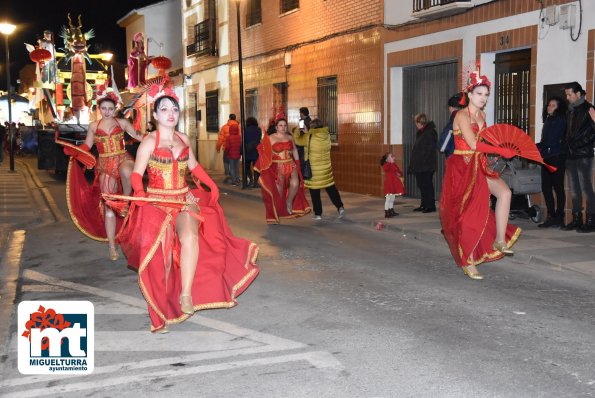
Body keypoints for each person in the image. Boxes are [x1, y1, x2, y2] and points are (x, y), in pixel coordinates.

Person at [117, 86, 259, 333]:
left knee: (191, 236)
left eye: (174, 109)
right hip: (157, 202)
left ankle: (185, 294)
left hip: (183, 198)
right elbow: (138, 174)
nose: (170, 113)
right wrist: (139, 193)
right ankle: (161, 308)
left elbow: (194, 167)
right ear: (155, 116)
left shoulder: (183, 139)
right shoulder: (148, 142)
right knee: (161, 258)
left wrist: (212, 184)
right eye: (164, 109)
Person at [439, 67, 520, 280]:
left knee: (505, 193)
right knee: (469, 215)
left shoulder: (482, 115)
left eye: (486, 95)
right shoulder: (460, 115)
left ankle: (500, 240)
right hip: (462, 166)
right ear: (469, 94)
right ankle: (468, 261)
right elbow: (474, 143)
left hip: (479, 164)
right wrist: (501, 150)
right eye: (479, 94)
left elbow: (485, 142)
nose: (483, 98)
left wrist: (503, 148)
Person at [63, 84, 143, 261]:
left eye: (110, 108)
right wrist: (76, 151)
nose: (107, 111)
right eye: (104, 108)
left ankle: (127, 201)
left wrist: (158, 138)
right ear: (99, 109)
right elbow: (88, 145)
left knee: (128, 171)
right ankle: (112, 246)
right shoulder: (93, 126)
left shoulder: (122, 123)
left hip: (122, 157)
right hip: (105, 163)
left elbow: (138, 136)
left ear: (116, 109)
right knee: (108, 205)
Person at [254, 116, 311, 224]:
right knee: (278, 192)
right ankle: (276, 213)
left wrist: (298, 163)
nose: (283, 127)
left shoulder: (290, 137)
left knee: (295, 183)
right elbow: (264, 153)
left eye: (285, 126)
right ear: (276, 127)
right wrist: (262, 149)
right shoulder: (270, 138)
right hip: (277, 166)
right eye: (280, 125)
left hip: (290, 162)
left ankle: (289, 202)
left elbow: (294, 150)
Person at [294, 118, 345, 221]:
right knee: (331, 189)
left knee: (315, 191)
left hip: (314, 170)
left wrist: (297, 130)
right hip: (326, 168)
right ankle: (340, 207)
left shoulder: (308, 136)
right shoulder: (326, 135)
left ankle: (318, 214)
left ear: (311, 127)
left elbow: (297, 141)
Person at [561, 82, 595, 233]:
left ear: (578, 94)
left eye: (569, 94)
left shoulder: (589, 109)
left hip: (583, 154)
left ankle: (591, 220)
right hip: (570, 154)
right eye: (566, 95)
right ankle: (576, 219)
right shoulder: (570, 111)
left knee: (586, 187)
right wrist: (565, 143)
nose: (567, 98)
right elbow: (568, 132)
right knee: (574, 188)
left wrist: (580, 144)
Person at [537, 96, 567, 228]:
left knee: (558, 187)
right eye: (549, 105)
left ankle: (559, 216)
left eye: (553, 105)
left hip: (557, 156)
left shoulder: (560, 119)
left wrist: (536, 148)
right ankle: (551, 216)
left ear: (559, 108)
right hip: (547, 157)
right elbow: (545, 141)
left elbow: (552, 140)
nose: (549, 107)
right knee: (546, 187)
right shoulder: (549, 120)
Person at [409, 113, 438, 213]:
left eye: (416, 122)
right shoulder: (421, 132)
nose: (415, 124)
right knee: (421, 185)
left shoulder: (430, 132)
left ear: (420, 122)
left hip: (426, 165)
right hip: (420, 165)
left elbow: (429, 150)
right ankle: (424, 204)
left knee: (427, 185)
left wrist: (422, 162)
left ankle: (430, 206)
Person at [439, 94, 466, 159]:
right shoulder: (468, 118)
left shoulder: (453, 122)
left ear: (451, 108)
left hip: (455, 159)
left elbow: (443, 146)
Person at [380, 152, 405, 218]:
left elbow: (399, 171)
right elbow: (386, 169)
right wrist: (389, 162)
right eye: (391, 156)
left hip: (394, 184)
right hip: (389, 184)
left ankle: (391, 210)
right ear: (387, 159)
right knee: (388, 199)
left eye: (393, 156)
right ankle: (386, 212)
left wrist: (399, 174)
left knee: (392, 199)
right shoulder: (387, 165)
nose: (394, 157)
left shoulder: (394, 164)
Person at [216, 114, 240, 184]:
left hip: (227, 148)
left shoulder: (224, 127)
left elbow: (221, 138)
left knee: (226, 161)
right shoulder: (238, 127)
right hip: (237, 149)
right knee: (235, 165)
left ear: (229, 118)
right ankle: (236, 178)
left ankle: (228, 175)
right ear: (235, 118)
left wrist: (218, 147)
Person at [244, 116, 262, 187]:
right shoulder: (258, 129)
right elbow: (259, 139)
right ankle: (255, 182)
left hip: (247, 150)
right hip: (256, 150)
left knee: (247, 167)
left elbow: (244, 140)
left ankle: (250, 180)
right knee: (256, 167)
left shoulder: (245, 130)